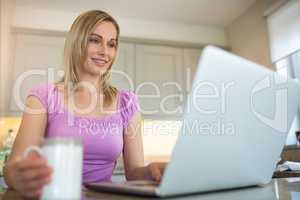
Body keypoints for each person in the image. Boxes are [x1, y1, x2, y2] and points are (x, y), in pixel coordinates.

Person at [3, 10, 166, 198]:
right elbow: (13, 166)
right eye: (95, 40)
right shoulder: (44, 96)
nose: (105, 52)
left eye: (111, 44)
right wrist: (16, 175)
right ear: (77, 42)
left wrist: (151, 171)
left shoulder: (127, 103)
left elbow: (134, 172)